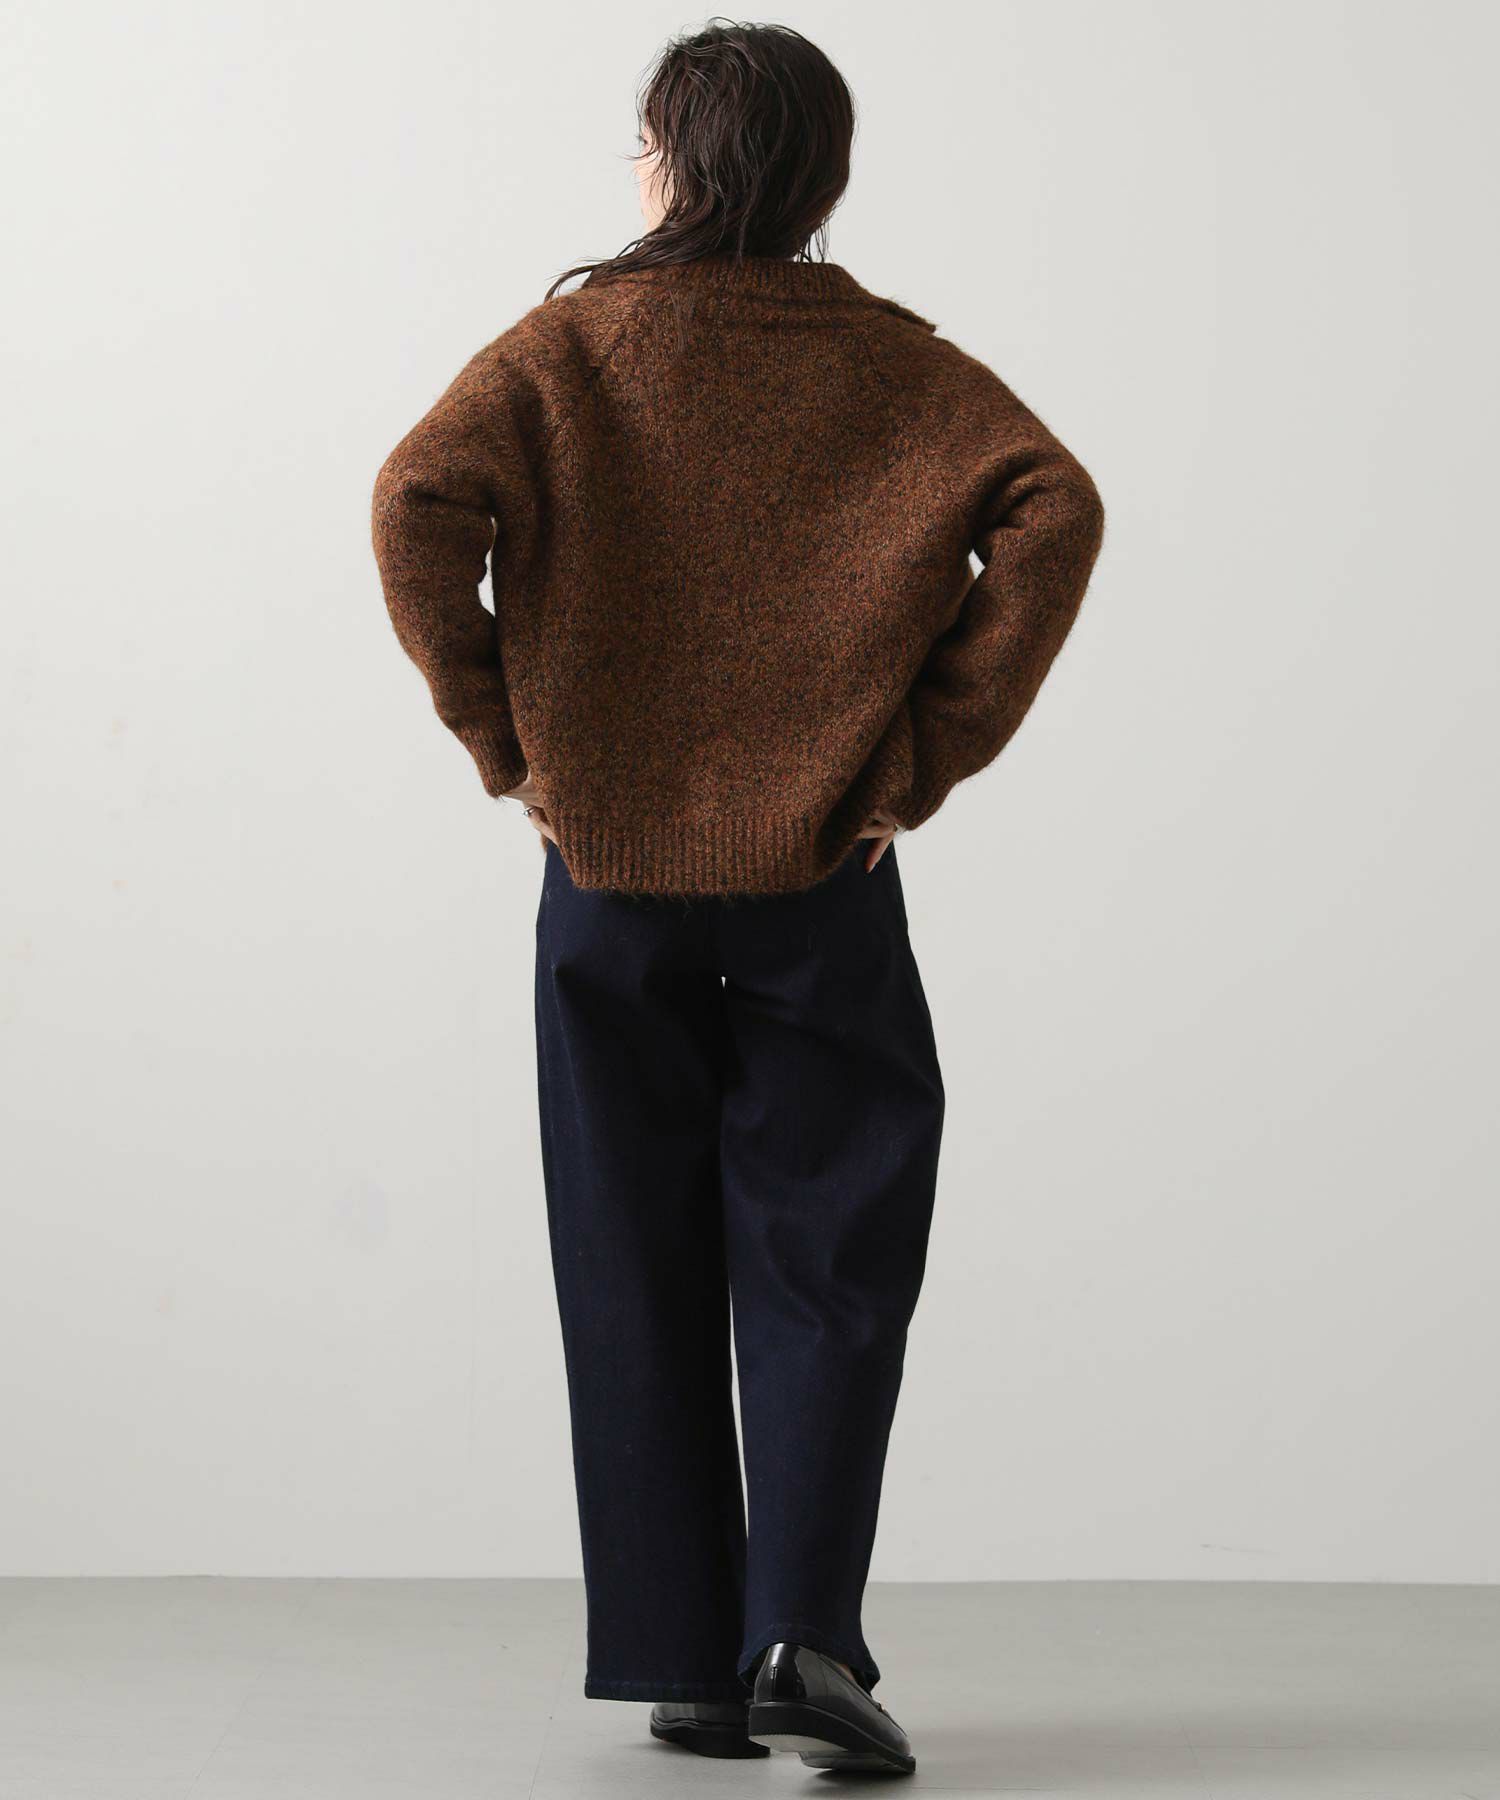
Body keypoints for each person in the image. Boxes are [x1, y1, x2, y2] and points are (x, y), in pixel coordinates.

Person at [372, 20, 1104, 1776]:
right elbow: (1052, 507)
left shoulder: (567, 351)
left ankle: (683, 1662)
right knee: (831, 1251)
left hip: (604, 881)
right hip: (820, 877)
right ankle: (802, 1640)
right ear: (821, 179)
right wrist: (912, 759)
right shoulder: (892, 363)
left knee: (625, 1252)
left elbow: (416, 503)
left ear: (669, 162)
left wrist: (516, 747)